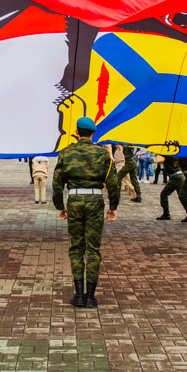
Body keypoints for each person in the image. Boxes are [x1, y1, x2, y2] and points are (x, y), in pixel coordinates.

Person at [53, 116, 119, 308]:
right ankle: (90, 296)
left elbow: (57, 184)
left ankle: (78, 295)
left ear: (76, 131)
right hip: (95, 201)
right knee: (93, 248)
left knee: (76, 248)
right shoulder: (103, 154)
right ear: (93, 133)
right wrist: (112, 207)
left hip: (74, 200)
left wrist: (60, 206)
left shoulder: (66, 153)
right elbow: (113, 183)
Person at [156, 155, 185, 220]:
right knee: (183, 197)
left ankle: (166, 214)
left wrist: (160, 153)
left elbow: (158, 160)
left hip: (176, 177)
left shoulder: (168, 154)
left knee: (164, 194)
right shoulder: (176, 153)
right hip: (178, 176)